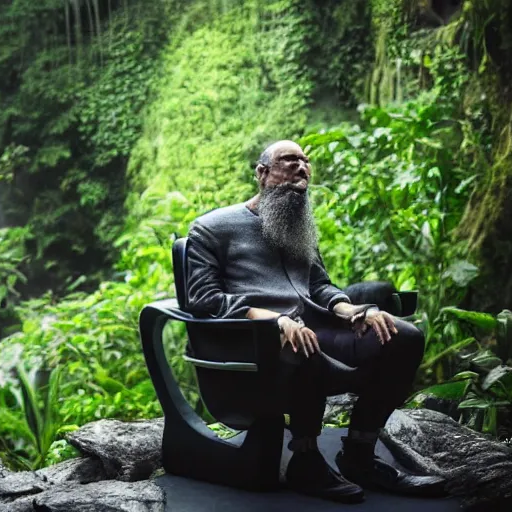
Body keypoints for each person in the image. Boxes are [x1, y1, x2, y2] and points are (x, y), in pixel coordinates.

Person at [185, 140, 446, 503]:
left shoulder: (297, 225)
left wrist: (352, 310)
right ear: (262, 173)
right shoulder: (212, 227)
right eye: (289, 160)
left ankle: (359, 455)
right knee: (300, 341)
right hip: (250, 342)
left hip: (308, 328)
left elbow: (320, 285)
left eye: (306, 161)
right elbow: (203, 298)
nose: (301, 167)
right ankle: (305, 460)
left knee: (402, 336)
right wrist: (272, 320)